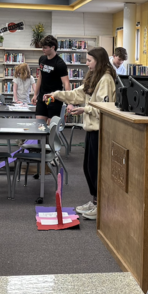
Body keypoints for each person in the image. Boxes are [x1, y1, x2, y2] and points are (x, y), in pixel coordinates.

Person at [46, 47, 116, 221]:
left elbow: (104, 107)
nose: (86, 64)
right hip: (91, 129)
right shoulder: (94, 77)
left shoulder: (106, 79)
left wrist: (84, 109)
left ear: (99, 61)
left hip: (101, 130)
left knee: (96, 168)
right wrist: (56, 94)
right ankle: (94, 200)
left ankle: (101, 205)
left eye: (89, 61)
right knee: (88, 168)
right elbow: (78, 94)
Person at [31, 35, 69, 123]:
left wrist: (69, 101)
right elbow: (40, 77)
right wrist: (35, 94)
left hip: (54, 99)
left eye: (45, 47)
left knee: (51, 128)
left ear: (53, 47)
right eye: (42, 47)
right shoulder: (42, 59)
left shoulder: (60, 63)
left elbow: (66, 83)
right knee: (39, 126)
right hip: (42, 97)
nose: (42, 49)